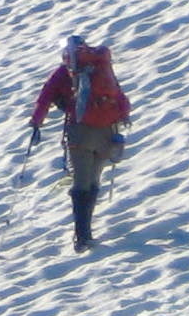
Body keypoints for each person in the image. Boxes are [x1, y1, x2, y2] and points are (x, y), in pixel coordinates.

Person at [27, 34, 131, 251]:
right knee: (93, 180)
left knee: (80, 183)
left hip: (80, 132)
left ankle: (82, 235)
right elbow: (120, 97)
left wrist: (37, 123)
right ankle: (87, 231)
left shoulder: (64, 72)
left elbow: (45, 96)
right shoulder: (101, 68)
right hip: (107, 131)